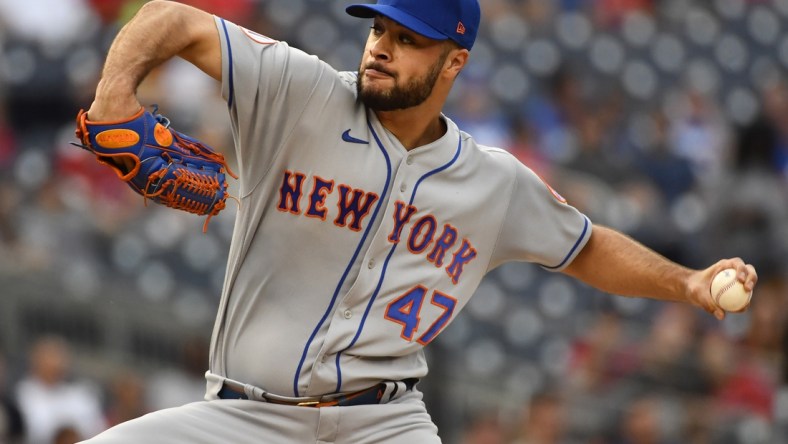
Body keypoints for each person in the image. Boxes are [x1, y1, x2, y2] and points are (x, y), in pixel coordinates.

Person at [78, 0, 758, 442]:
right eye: (378, 28)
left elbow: (586, 247)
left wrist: (690, 283)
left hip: (383, 425)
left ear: (453, 62)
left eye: (408, 39)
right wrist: (113, 97)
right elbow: (170, 19)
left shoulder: (492, 181)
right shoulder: (300, 91)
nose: (380, 47)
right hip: (243, 416)